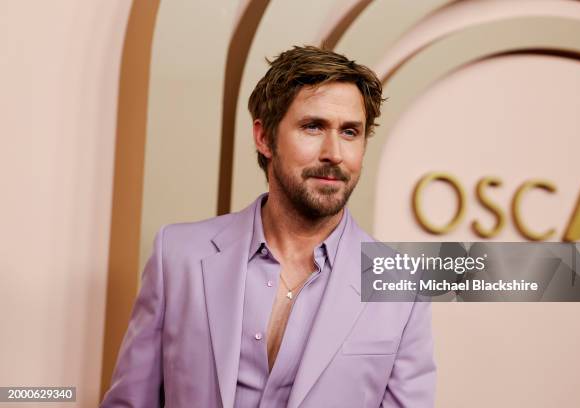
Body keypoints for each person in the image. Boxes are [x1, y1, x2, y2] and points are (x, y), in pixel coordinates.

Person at [100, 45, 435, 408]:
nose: (334, 153)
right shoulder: (178, 255)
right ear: (264, 138)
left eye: (350, 132)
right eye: (313, 126)